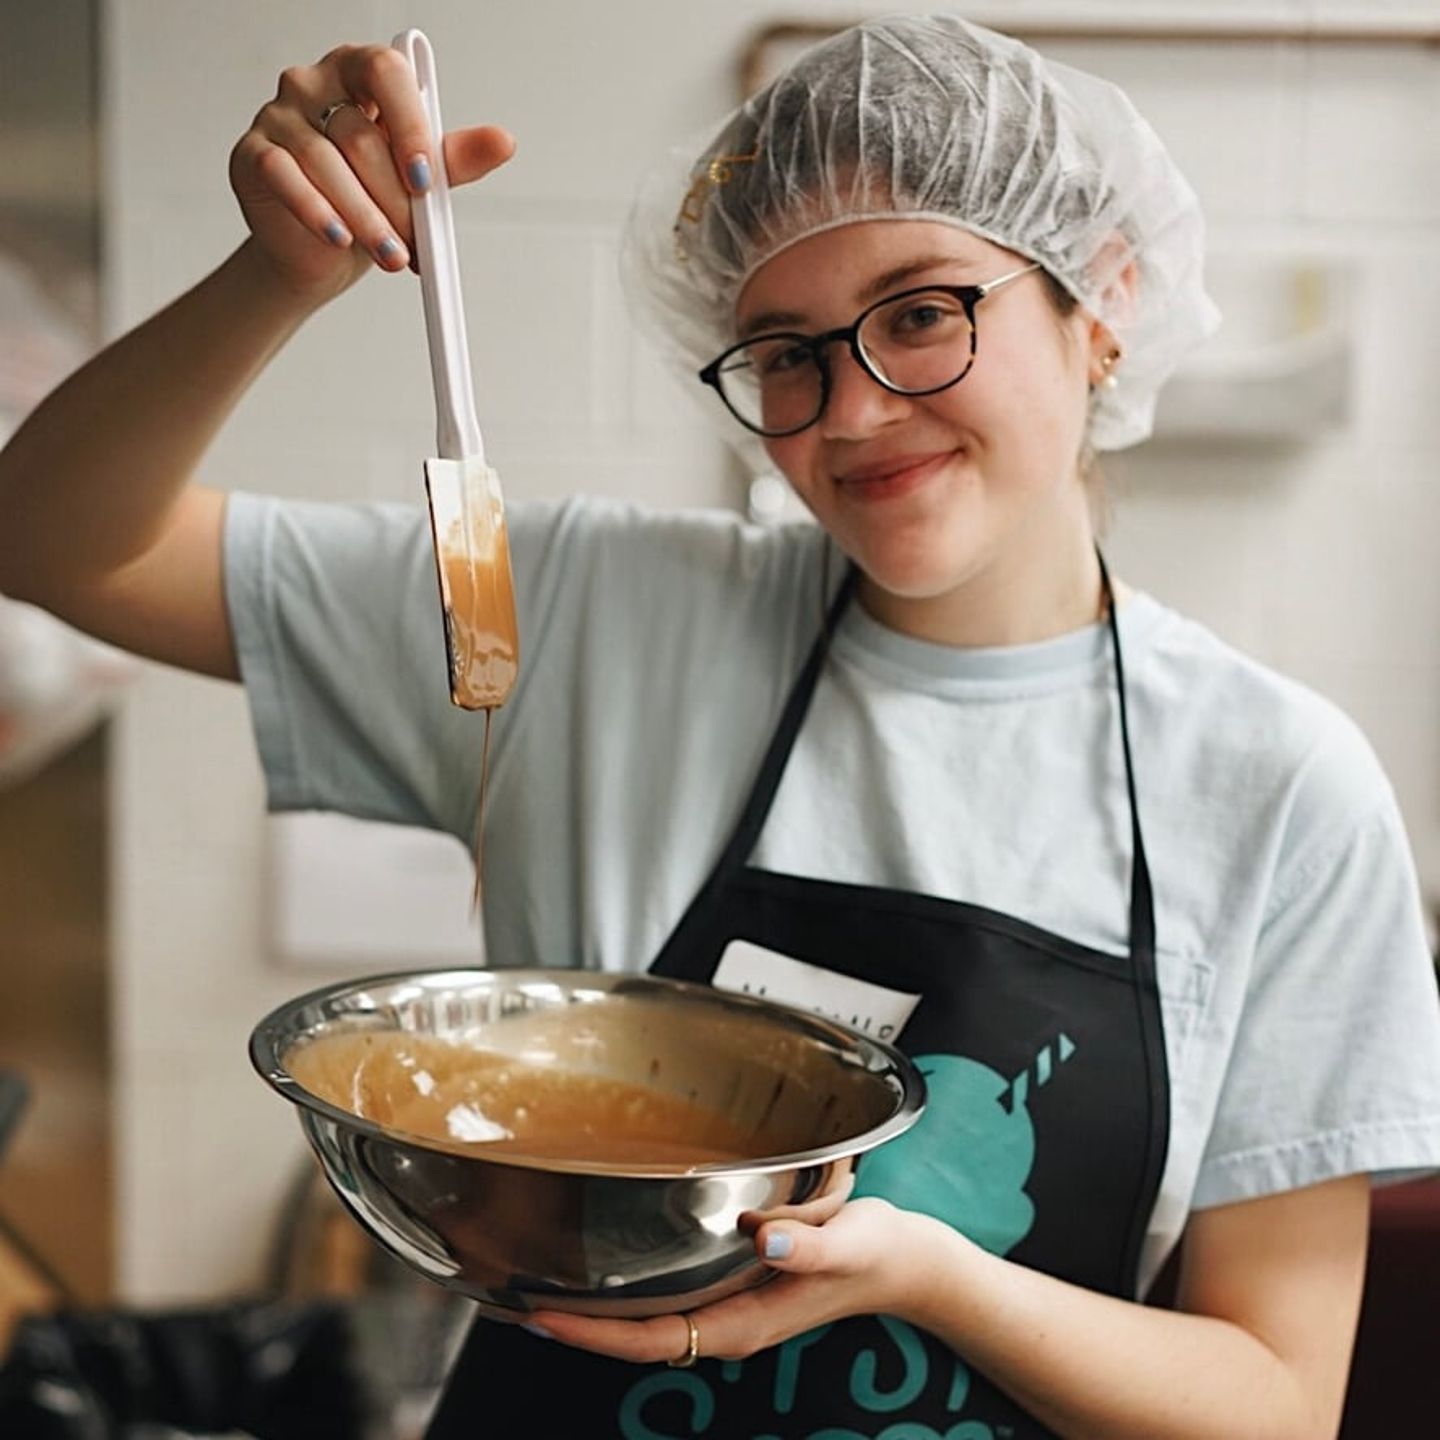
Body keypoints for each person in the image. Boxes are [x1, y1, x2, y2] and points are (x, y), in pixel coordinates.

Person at [2, 13, 1438, 1438]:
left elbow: (1275, 1403)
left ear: (1102, 299)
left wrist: (938, 1282)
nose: (852, 413)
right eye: (785, 351)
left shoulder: (1277, 792)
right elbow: (55, 542)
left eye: (922, 314)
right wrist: (282, 271)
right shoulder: (596, 616)